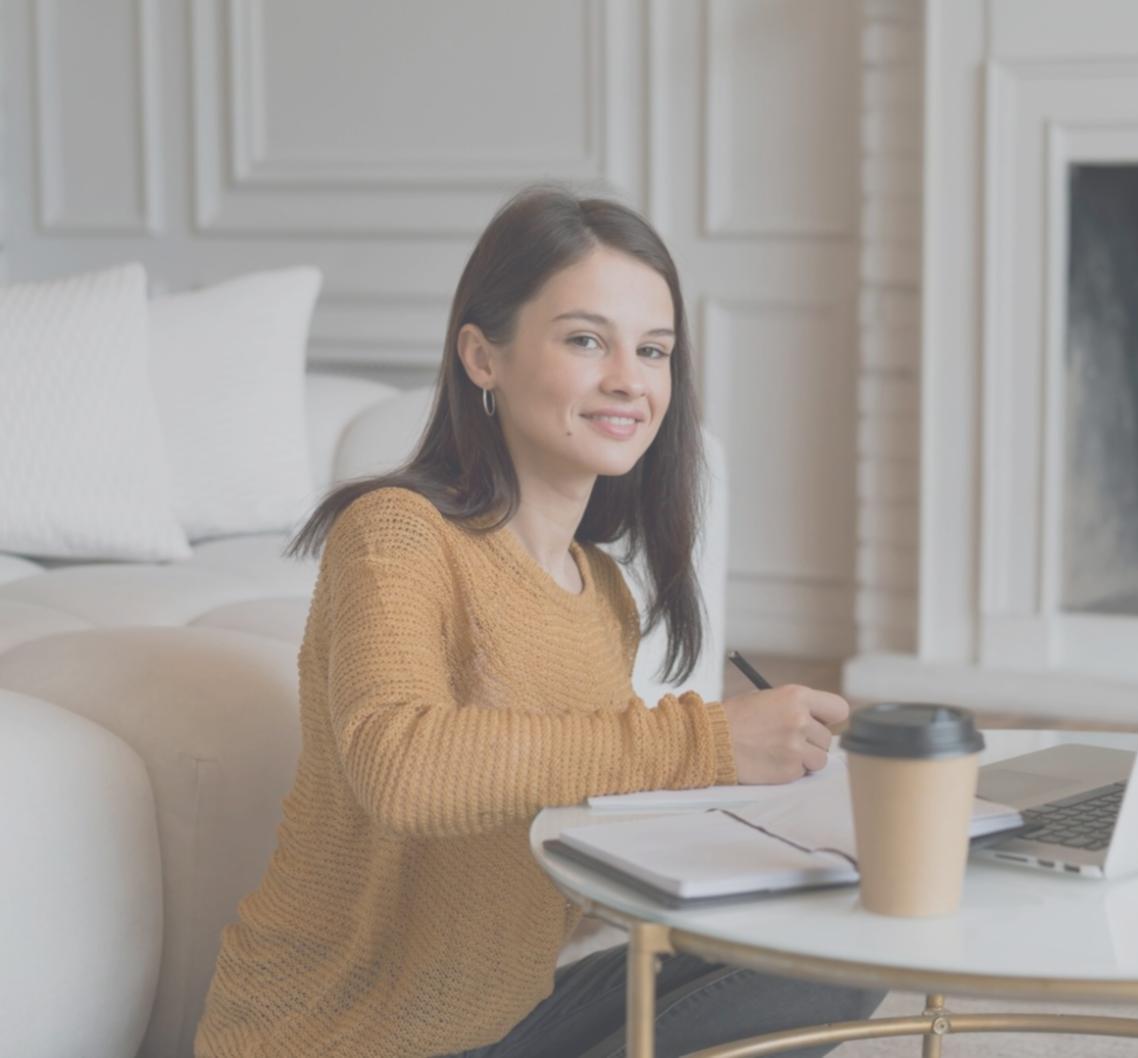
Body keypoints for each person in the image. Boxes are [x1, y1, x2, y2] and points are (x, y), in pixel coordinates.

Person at [191, 184, 887, 1058]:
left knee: (840, 954)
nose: (630, 379)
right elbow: (401, 766)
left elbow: (562, 819)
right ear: (482, 356)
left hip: (505, 1022)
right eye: (586, 340)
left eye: (654, 350)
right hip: (342, 1037)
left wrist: (769, 827)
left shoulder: (604, 592)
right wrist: (708, 742)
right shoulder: (398, 534)